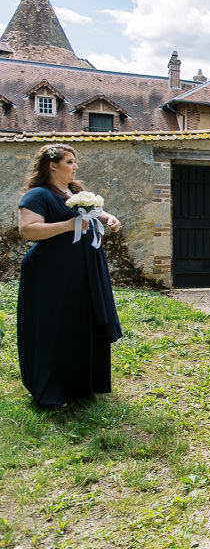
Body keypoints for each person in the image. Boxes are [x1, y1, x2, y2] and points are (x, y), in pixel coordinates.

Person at [16, 143, 123, 407]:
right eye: (70, 162)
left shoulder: (75, 191)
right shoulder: (37, 195)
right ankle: (52, 388)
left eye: (75, 162)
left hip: (84, 271)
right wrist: (68, 225)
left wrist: (109, 218)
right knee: (56, 325)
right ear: (52, 165)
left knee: (81, 323)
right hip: (52, 274)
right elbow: (28, 230)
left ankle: (82, 383)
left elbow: (93, 213)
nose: (76, 167)